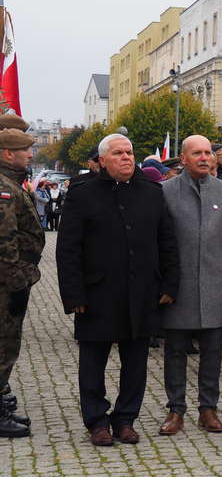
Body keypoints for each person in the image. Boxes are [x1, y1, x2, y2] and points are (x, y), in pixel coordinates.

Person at [56, 134, 179, 446]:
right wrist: (73, 294)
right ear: (102, 160)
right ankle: (97, 421)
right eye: (118, 153)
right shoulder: (83, 194)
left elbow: (167, 241)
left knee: (136, 362)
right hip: (97, 293)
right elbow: (68, 248)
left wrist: (169, 284)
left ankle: (125, 419)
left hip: (142, 292)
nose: (126, 158)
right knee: (93, 362)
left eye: (129, 152)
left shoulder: (151, 192)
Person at [158, 135, 222, 436]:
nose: (204, 158)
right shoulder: (165, 191)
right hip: (177, 288)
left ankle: (208, 409)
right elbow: (158, 243)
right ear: (183, 158)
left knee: (213, 352)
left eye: (208, 152)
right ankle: (176, 409)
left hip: (215, 286)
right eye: (197, 153)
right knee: (175, 351)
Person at [0, 129, 44, 438]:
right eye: (25, 150)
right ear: (7, 154)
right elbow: (4, 243)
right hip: (7, 284)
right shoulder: (4, 189)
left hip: (12, 281)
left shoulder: (11, 183)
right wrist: (17, 283)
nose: (30, 155)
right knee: (4, 347)